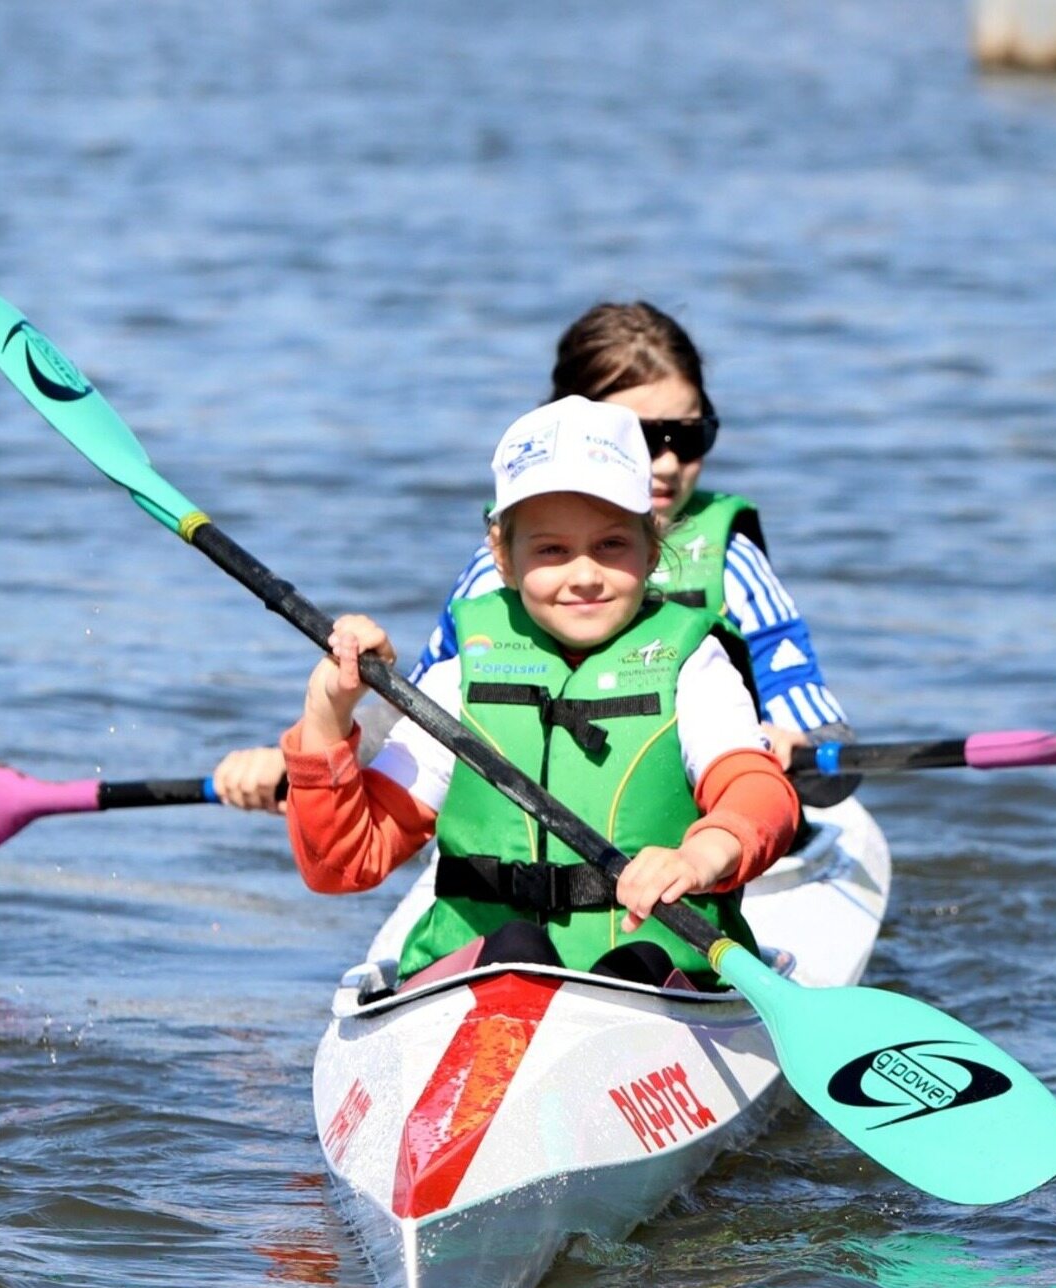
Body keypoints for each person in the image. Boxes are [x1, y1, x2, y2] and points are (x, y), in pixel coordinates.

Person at [213, 301, 855, 812]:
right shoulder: (500, 572)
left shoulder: (731, 563)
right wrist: (305, 758)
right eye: (639, 437)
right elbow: (423, 708)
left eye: (686, 436)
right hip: (531, 845)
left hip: (712, 838)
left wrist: (796, 748)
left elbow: (828, 739)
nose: (664, 462)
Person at [278, 397, 799, 990]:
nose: (583, 574)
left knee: (640, 963)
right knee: (516, 948)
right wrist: (326, 715)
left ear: (652, 546)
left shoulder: (692, 665)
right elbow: (343, 864)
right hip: (481, 989)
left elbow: (760, 793)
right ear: (502, 556)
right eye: (551, 550)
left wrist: (700, 856)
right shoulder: (458, 679)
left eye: (610, 545)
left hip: (648, 987)